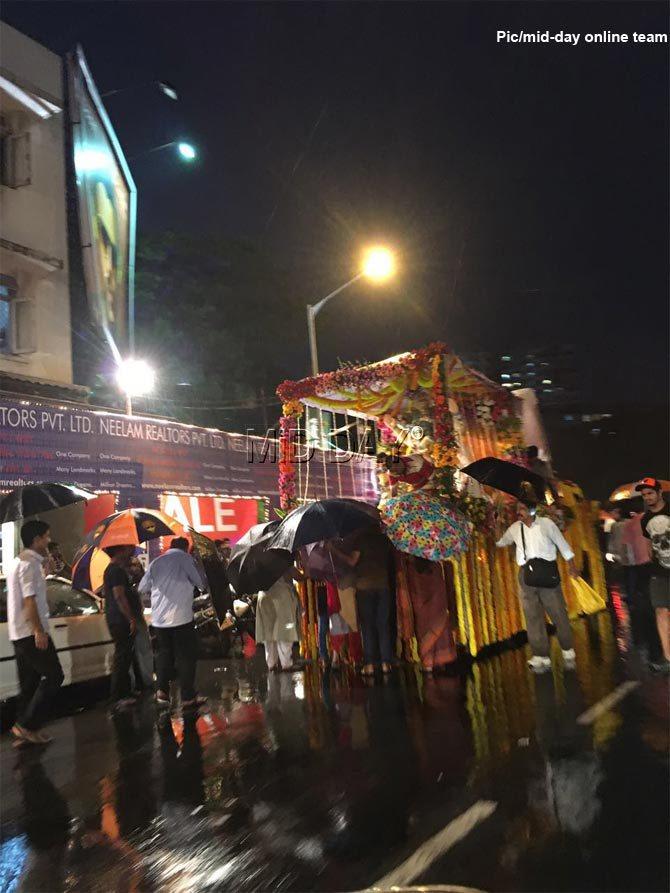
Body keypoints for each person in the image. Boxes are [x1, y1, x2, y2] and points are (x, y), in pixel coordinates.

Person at [496, 503, 578, 671]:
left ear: (532, 509)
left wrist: (572, 566)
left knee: (558, 612)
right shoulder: (515, 528)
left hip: (547, 573)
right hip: (526, 575)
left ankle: (567, 648)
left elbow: (563, 545)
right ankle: (541, 655)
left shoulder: (547, 524)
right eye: (517, 509)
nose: (519, 512)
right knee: (532, 615)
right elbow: (500, 542)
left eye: (523, 509)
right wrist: (496, 524)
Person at [7, 520, 64, 745]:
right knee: (54, 675)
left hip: (18, 632)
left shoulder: (18, 562)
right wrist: (39, 631)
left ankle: (25, 730)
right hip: (30, 631)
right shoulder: (29, 564)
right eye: (46, 536)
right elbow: (29, 600)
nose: (49, 541)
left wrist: (45, 569)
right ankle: (27, 724)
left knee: (29, 682)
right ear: (36, 539)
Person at [139, 537, 208, 707]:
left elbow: (142, 588)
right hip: (181, 617)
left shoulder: (156, 562)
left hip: (159, 620)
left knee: (164, 655)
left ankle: (162, 692)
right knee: (185, 656)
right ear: (186, 548)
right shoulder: (185, 559)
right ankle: (187, 696)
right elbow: (201, 583)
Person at [331, 529, 394, 676]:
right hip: (383, 586)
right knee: (383, 625)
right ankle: (386, 663)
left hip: (364, 586)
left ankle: (370, 664)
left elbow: (352, 561)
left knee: (367, 625)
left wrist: (334, 551)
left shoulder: (361, 539)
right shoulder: (384, 540)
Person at [637, 478, 670, 672]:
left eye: (650, 493)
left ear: (659, 493)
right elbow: (649, 545)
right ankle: (668, 658)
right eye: (644, 495)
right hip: (659, 570)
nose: (647, 497)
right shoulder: (645, 520)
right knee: (660, 610)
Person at [103, 544, 141, 712]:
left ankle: (125, 693)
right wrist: (131, 618)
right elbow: (119, 596)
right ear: (119, 551)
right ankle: (117, 697)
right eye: (126, 548)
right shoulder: (115, 571)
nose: (130, 551)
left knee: (125, 656)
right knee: (122, 656)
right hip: (120, 620)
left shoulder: (114, 570)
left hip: (117, 619)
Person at [255, 568, 304, 672]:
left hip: (263, 597)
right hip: (281, 595)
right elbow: (298, 576)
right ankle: (286, 663)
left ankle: (271, 664)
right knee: (284, 631)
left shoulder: (258, 560)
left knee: (268, 633)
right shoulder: (282, 557)